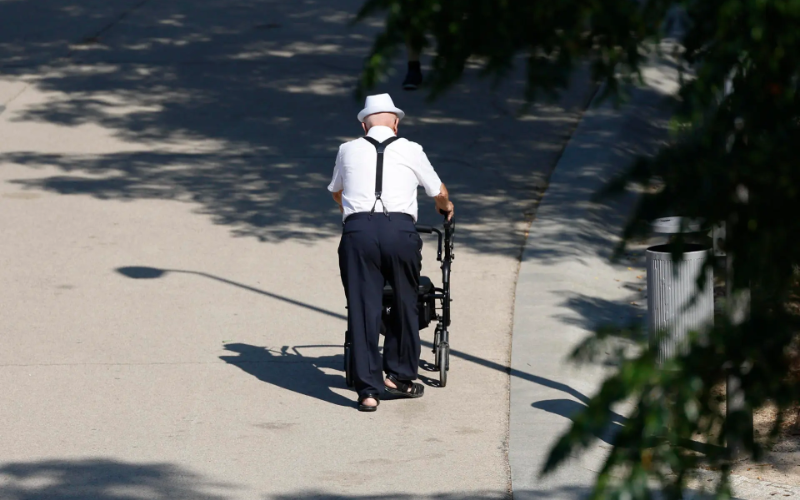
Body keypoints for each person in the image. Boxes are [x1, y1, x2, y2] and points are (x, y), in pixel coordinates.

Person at [328, 93, 454, 412]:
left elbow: (337, 192)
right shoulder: (411, 149)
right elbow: (437, 191)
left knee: (362, 307)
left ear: (363, 124)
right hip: (400, 230)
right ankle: (398, 377)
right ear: (395, 123)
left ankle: (368, 391)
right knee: (404, 301)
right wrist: (447, 207)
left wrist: (356, 212)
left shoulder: (347, 149)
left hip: (358, 232)